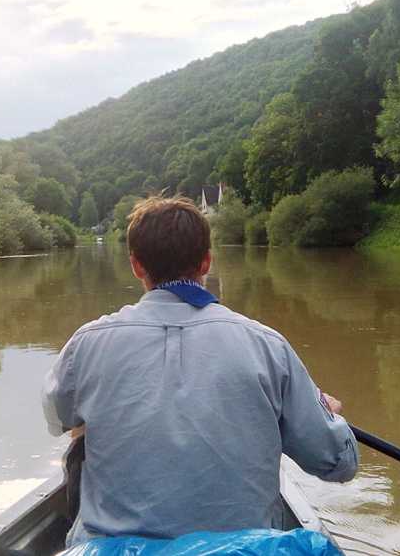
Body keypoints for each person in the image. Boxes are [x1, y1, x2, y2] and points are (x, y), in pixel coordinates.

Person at [42, 196, 358, 546]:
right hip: (243, 551)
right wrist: (325, 413)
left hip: (114, 550)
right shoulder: (267, 345)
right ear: (207, 261)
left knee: (79, 435)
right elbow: (339, 464)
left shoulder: (87, 344)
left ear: (135, 266)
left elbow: (58, 419)